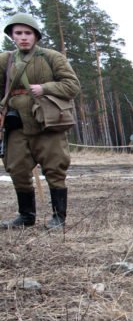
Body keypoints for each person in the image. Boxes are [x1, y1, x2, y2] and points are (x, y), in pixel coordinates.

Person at [0, 13, 80, 230]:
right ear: (12, 36)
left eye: (28, 33)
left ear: (36, 36)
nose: (23, 37)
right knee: (16, 168)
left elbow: (72, 86)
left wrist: (45, 88)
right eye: (18, 33)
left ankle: (58, 218)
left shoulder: (51, 57)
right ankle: (26, 217)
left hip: (48, 122)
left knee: (55, 168)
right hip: (16, 124)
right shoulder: (5, 60)